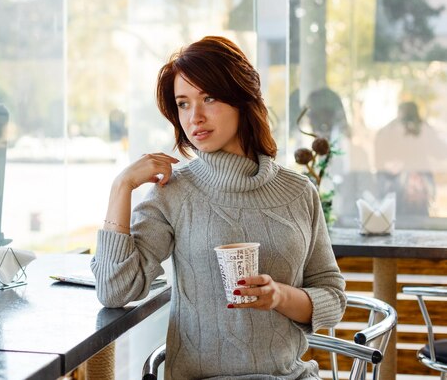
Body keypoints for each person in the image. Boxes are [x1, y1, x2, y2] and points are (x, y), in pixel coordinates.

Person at [91, 36, 346, 380]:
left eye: (208, 98)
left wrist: (278, 296)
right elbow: (114, 290)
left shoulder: (299, 191)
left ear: (242, 98)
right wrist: (121, 187)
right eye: (183, 103)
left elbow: (332, 297)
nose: (194, 117)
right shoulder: (172, 193)